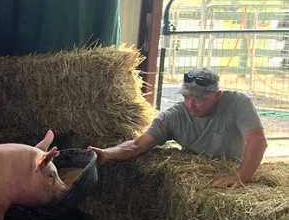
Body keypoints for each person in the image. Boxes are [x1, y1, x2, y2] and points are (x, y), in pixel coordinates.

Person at [87, 67, 268, 188]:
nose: (191, 105)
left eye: (200, 99)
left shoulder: (238, 103)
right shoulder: (173, 116)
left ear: (217, 95)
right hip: (197, 176)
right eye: (187, 97)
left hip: (231, 166)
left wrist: (240, 176)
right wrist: (106, 153)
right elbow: (136, 145)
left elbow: (258, 141)